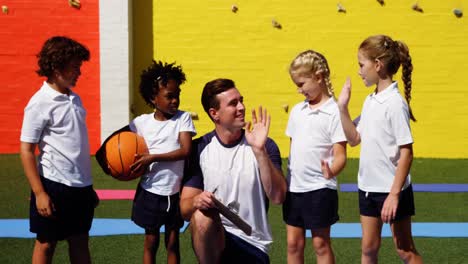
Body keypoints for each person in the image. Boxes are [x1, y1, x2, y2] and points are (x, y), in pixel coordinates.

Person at [97, 60, 196, 264]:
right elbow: (114, 139)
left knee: (172, 243)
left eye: (177, 95)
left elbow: (186, 151)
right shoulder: (141, 123)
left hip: (175, 194)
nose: (175, 100)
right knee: (150, 242)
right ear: (153, 98)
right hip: (150, 193)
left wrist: (153, 157)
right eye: (169, 96)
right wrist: (105, 161)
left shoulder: (183, 119)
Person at [180, 78, 287, 264]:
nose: (242, 107)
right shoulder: (200, 149)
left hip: (253, 243)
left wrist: (260, 151)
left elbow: (278, 197)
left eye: (241, 100)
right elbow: (184, 209)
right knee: (201, 217)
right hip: (216, 239)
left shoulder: (265, 146)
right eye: (233, 103)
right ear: (215, 114)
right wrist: (197, 200)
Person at [337, 35, 423, 263]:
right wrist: (342, 108)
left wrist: (394, 195)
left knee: (405, 249)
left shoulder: (395, 104)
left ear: (378, 65)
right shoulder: (371, 100)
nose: (359, 71)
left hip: (393, 190)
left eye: (361, 65)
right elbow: (354, 138)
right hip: (367, 188)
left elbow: (407, 152)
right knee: (368, 249)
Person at [20, 36, 98, 264]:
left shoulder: (76, 99)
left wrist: (86, 186)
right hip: (53, 185)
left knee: (80, 241)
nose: (79, 72)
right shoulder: (40, 102)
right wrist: (39, 193)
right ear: (56, 67)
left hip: (81, 187)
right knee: (46, 243)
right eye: (74, 67)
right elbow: (26, 150)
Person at [283, 50, 347, 264]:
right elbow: (293, 151)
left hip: (320, 188)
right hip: (294, 189)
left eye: (301, 84)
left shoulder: (335, 112)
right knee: (293, 244)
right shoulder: (296, 112)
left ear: (318, 77)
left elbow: (340, 155)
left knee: (320, 244)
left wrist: (332, 171)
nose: (299, 90)